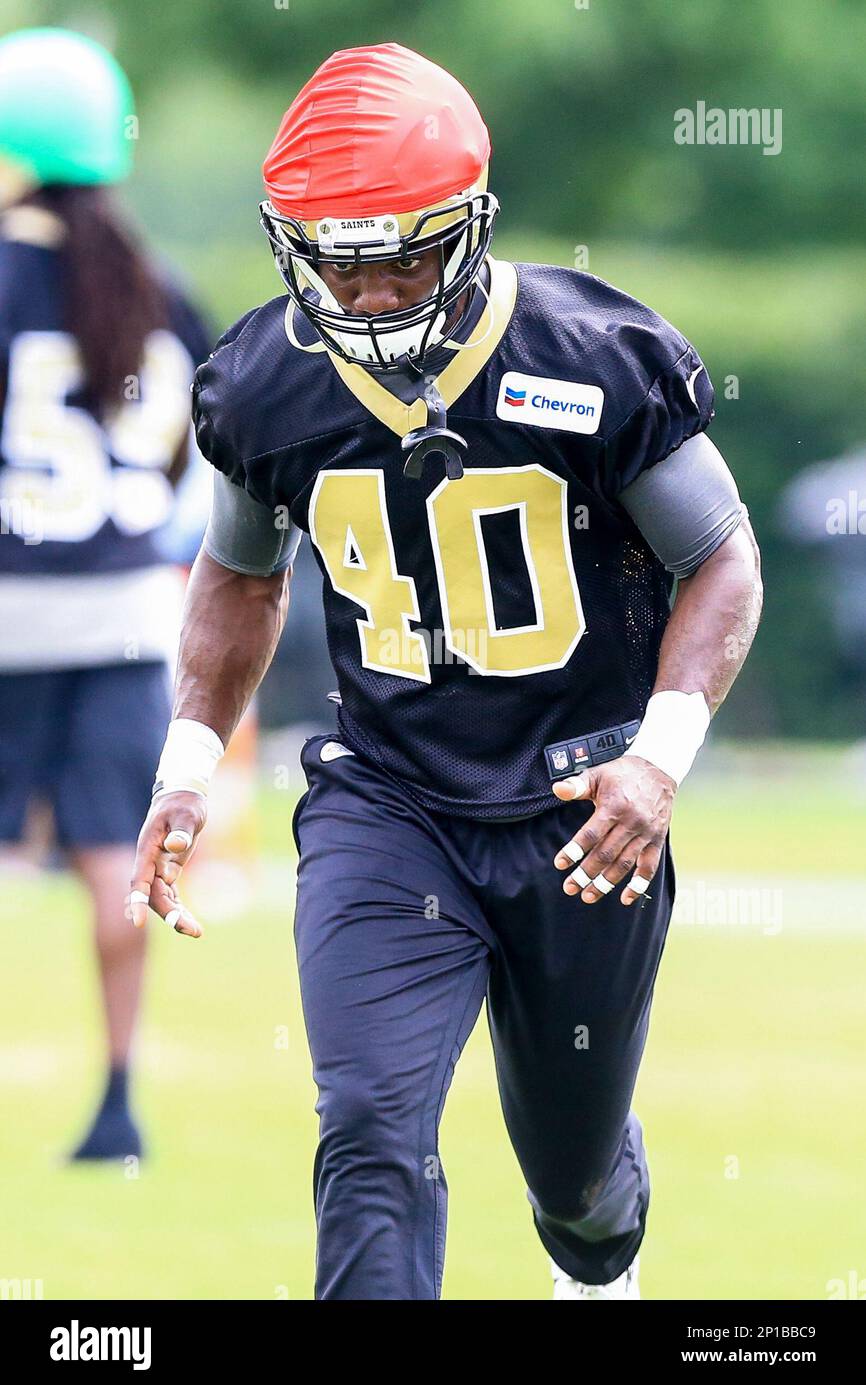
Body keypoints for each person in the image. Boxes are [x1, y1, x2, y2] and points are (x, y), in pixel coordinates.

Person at [131, 43, 763, 1298]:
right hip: (389, 799)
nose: (364, 289)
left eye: (400, 252)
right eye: (335, 255)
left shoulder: (588, 355)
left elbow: (722, 563)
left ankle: (595, 1263)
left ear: (468, 230)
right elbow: (240, 578)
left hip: (584, 811)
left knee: (575, 1181)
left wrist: (656, 760)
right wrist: (189, 764)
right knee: (368, 1129)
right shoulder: (267, 382)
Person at [0, 28, 211, 1160]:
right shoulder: (159, 285)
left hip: (8, 611)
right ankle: (118, 1100)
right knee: (108, 860)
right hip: (130, 614)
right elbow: (195, 455)